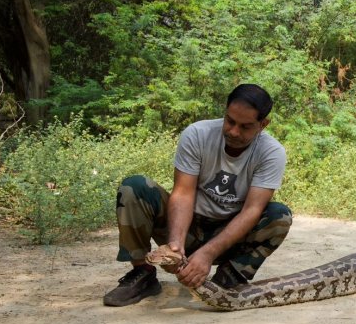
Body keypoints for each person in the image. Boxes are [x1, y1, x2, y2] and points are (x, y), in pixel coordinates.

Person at [103, 84, 293, 306]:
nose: (233, 131)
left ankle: (227, 279)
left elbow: (252, 211)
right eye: (230, 121)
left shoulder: (271, 153)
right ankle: (143, 274)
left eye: (245, 127)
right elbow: (183, 193)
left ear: (263, 125)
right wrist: (175, 246)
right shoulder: (198, 134)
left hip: (229, 234)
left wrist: (208, 254)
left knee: (279, 215)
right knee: (134, 187)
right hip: (189, 225)